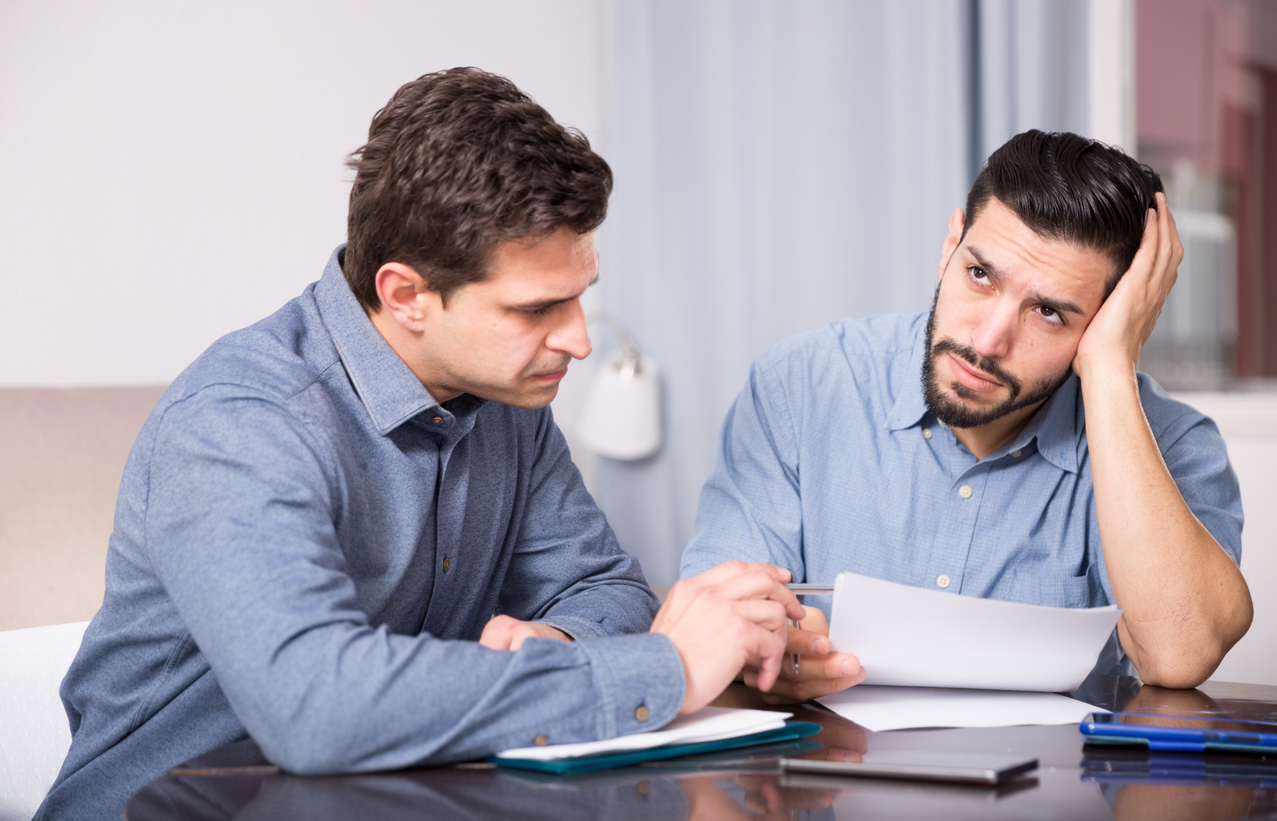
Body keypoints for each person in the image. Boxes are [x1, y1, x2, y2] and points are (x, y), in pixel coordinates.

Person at [36, 68, 803, 821]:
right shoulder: (240, 421)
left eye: (579, 297)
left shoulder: (506, 397)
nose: (576, 339)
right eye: (536, 308)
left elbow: (604, 588)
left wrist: (556, 642)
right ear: (406, 295)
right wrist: (662, 668)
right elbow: (318, 705)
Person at [680, 130, 1253, 702]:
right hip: (822, 779)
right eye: (981, 275)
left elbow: (1179, 654)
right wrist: (762, 649)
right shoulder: (800, 385)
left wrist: (1108, 367)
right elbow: (713, 625)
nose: (987, 341)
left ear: (1109, 321)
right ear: (952, 243)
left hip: (1053, 790)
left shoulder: (1173, 444)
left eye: (1049, 312)